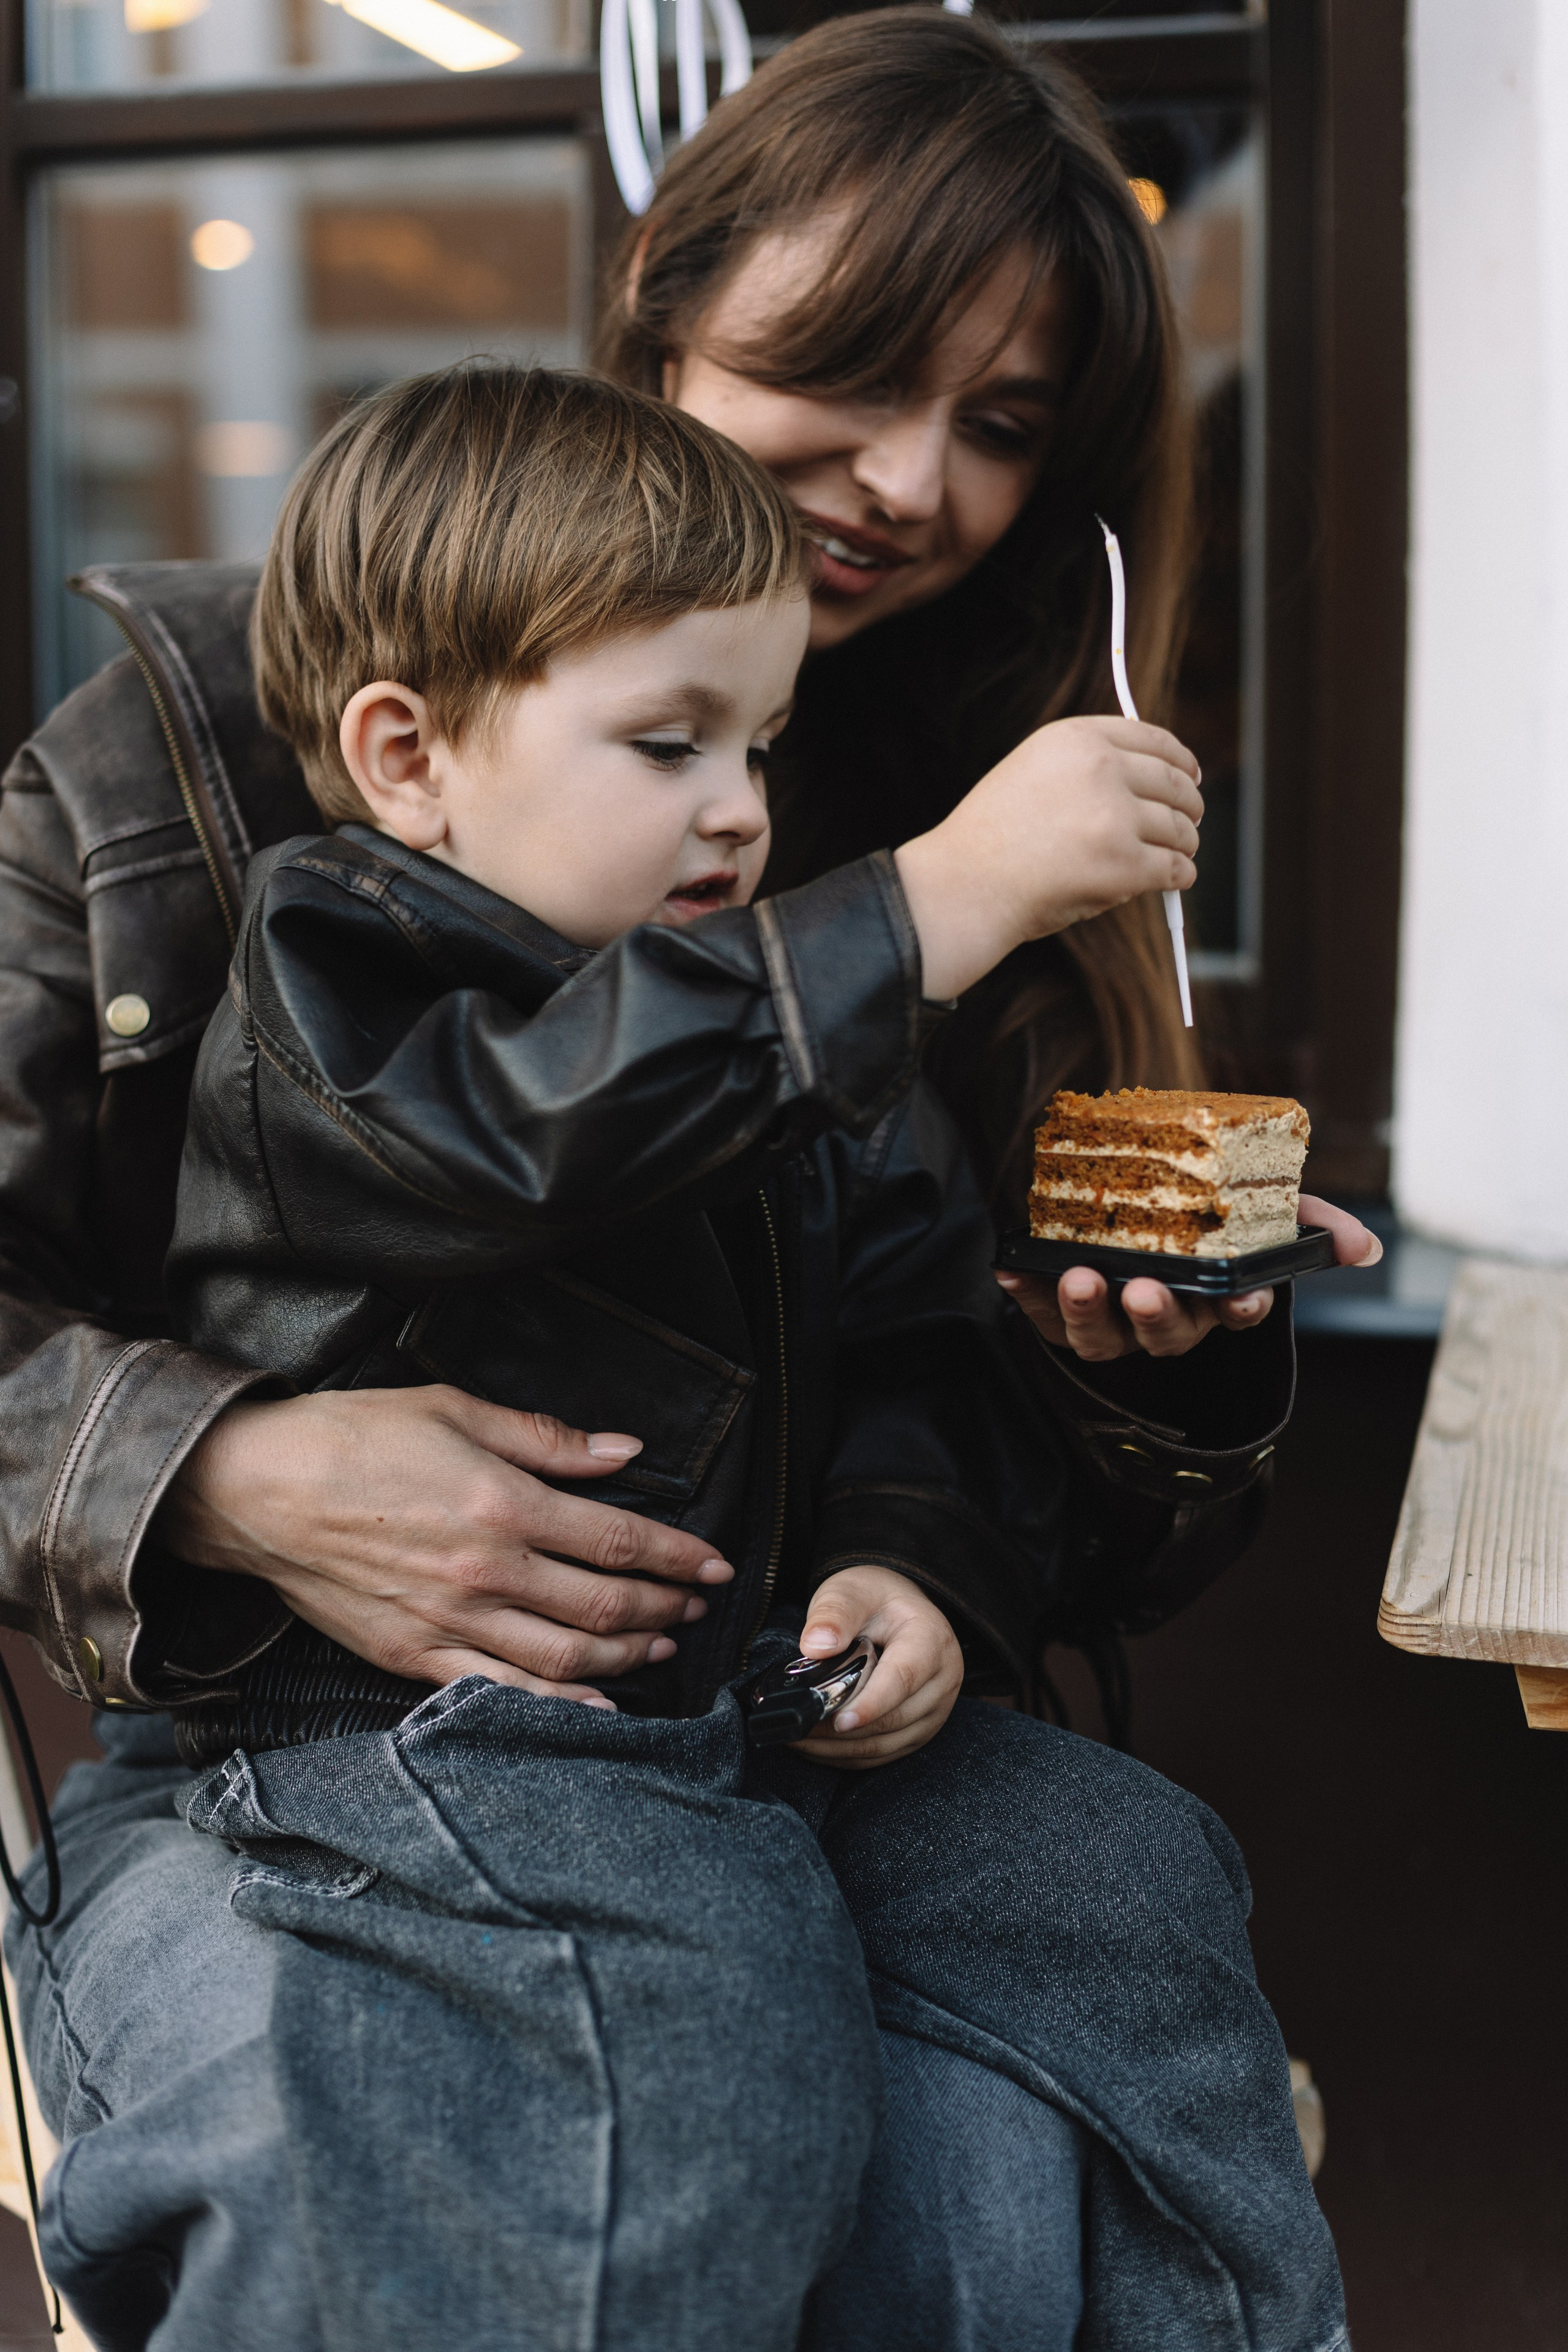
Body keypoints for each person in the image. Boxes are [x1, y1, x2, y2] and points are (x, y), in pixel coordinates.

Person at [0, 10, 1370, 2347]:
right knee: (605, 2104)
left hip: (766, 1713)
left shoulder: (961, 805)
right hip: (332, 1744)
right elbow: (485, 1116)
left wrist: (1040, 1460)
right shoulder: (280, 823)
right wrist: (224, 1475)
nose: (912, 480)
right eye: (858, 366)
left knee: (1105, 1917)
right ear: (665, 289)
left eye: (1004, 425)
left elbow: (926, 1338)